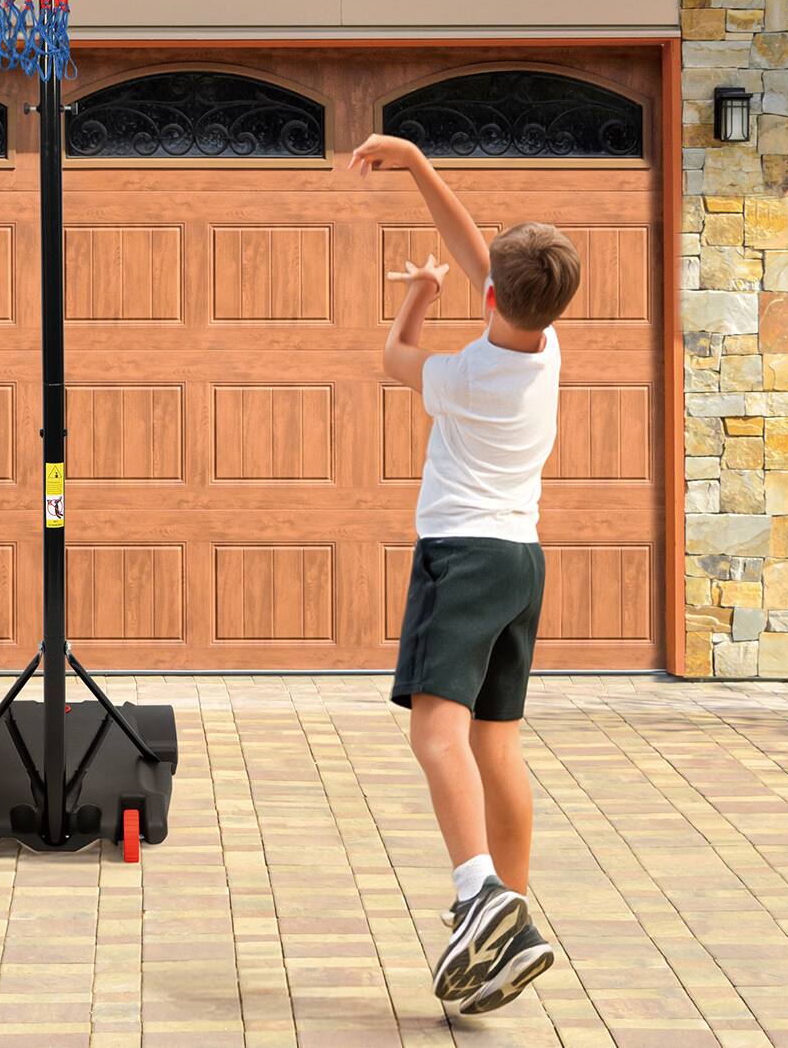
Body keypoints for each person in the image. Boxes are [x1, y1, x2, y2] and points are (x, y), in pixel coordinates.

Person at [350, 132, 581, 1016]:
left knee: (434, 735)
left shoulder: (465, 375)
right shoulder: (542, 351)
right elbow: (481, 254)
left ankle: (480, 893)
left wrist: (415, 297)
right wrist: (413, 162)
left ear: (489, 293)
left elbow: (392, 358)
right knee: (497, 742)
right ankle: (512, 924)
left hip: (465, 557)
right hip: (522, 560)